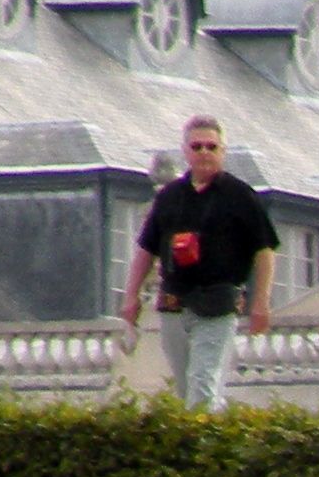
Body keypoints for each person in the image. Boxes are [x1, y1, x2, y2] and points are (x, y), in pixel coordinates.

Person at [117, 115, 279, 411]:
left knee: (202, 383)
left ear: (223, 151)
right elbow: (145, 251)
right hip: (174, 303)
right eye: (197, 146)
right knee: (187, 389)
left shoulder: (240, 196)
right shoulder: (169, 197)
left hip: (218, 303)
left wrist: (262, 302)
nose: (204, 152)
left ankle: (203, 447)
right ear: (186, 152)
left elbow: (265, 250)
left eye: (211, 146)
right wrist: (130, 297)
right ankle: (218, 430)